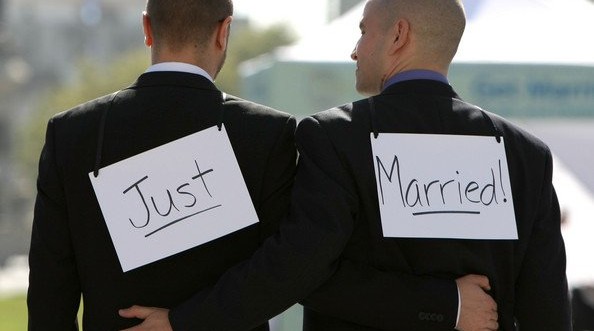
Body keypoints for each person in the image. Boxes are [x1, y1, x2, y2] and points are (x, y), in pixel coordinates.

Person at [121, 0, 571, 330]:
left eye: (362, 31)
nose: (355, 50)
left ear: (397, 36)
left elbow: (300, 272)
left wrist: (184, 322)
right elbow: (548, 309)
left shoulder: (334, 137)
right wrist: (448, 304)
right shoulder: (526, 155)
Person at [26, 0, 298, 330]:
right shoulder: (267, 134)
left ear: (147, 29)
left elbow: (48, 294)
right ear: (224, 31)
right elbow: (281, 273)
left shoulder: (72, 133)